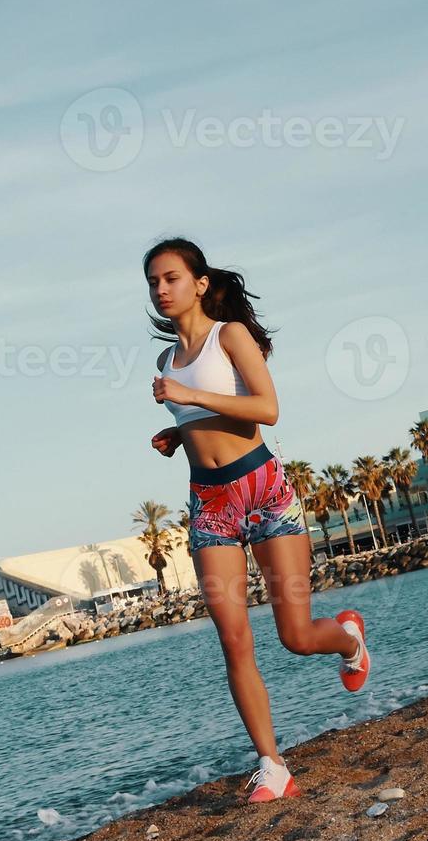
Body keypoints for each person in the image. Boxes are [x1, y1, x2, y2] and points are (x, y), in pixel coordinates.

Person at [146, 237, 370, 804]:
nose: (161, 289)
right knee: (233, 638)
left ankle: (347, 639)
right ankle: (272, 764)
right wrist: (179, 432)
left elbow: (266, 408)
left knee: (295, 636)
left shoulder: (230, 337)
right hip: (209, 503)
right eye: (153, 281)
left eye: (171, 277)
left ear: (199, 283)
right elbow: (212, 414)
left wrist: (188, 395)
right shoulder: (165, 362)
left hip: (264, 491)